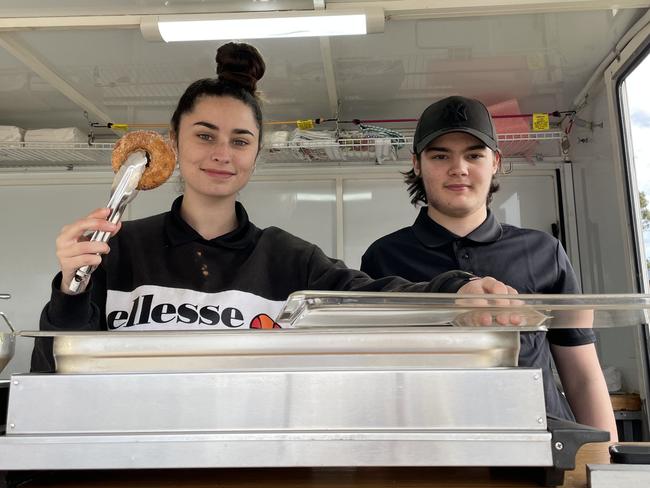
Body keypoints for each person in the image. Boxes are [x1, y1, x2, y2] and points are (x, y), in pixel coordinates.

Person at [31, 45, 515, 373]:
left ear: (256, 154)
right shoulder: (118, 251)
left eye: (240, 140)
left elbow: (372, 297)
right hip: (128, 458)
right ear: (174, 140)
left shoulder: (290, 259)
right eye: (205, 135)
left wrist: (455, 290)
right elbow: (56, 365)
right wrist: (72, 289)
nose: (222, 153)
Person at [361, 95, 618, 440]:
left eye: (474, 155)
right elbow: (377, 371)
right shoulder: (383, 257)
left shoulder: (544, 250)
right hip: (429, 443)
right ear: (417, 164)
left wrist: (606, 461)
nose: (459, 168)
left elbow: (582, 372)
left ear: (495, 161)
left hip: (542, 444)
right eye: (440, 155)